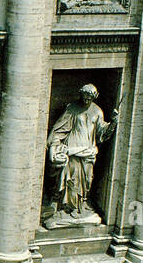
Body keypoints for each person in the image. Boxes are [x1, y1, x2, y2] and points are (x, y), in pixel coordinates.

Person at [46, 84, 117, 220]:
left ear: (94, 98)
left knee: (86, 180)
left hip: (88, 151)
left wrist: (113, 122)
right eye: (84, 98)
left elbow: (102, 135)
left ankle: (80, 205)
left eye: (89, 99)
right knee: (70, 180)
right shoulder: (72, 109)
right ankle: (66, 207)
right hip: (72, 150)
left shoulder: (97, 112)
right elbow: (59, 128)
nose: (86, 101)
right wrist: (54, 145)